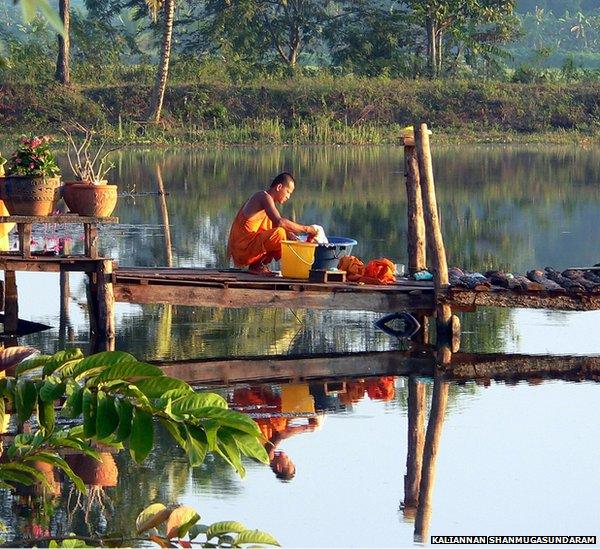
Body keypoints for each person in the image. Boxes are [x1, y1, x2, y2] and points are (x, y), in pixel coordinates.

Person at [227, 172, 318, 275]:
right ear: (279, 187)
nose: (288, 197)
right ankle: (256, 265)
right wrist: (307, 229)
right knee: (279, 233)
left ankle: (257, 265)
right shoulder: (263, 197)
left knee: (284, 234)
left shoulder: (270, 203)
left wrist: (296, 239)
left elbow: (280, 226)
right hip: (242, 250)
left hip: (247, 249)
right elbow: (280, 222)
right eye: (288, 192)